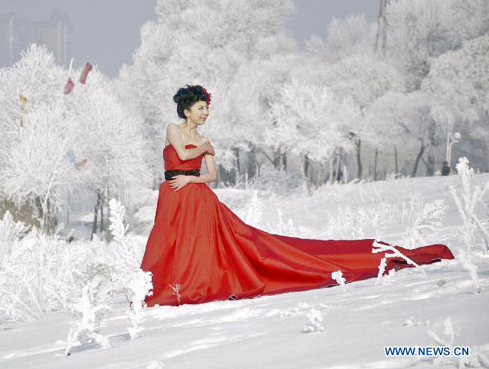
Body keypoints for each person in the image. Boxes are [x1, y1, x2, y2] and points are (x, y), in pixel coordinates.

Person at [139, 84, 455, 308]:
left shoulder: (206, 139)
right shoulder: (174, 129)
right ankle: (168, 285)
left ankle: (193, 285)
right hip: (171, 195)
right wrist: (203, 150)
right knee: (169, 241)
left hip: (196, 195)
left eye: (207, 108)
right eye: (200, 108)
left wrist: (195, 172)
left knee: (204, 245)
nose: (205, 113)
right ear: (186, 110)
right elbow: (181, 151)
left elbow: (211, 176)